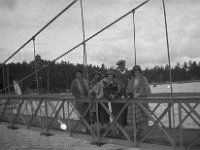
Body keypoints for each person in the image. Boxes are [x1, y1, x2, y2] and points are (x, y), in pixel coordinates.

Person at [126, 65, 151, 136]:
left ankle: (142, 132)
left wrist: (139, 94)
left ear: (140, 71)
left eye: (138, 71)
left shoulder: (144, 79)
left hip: (141, 101)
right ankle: (136, 131)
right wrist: (128, 94)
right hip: (133, 102)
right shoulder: (131, 80)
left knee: (142, 118)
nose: (136, 72)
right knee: (134, 117)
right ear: (133, 72)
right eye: (135, 71)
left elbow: (148, 91)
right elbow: (127, 90)